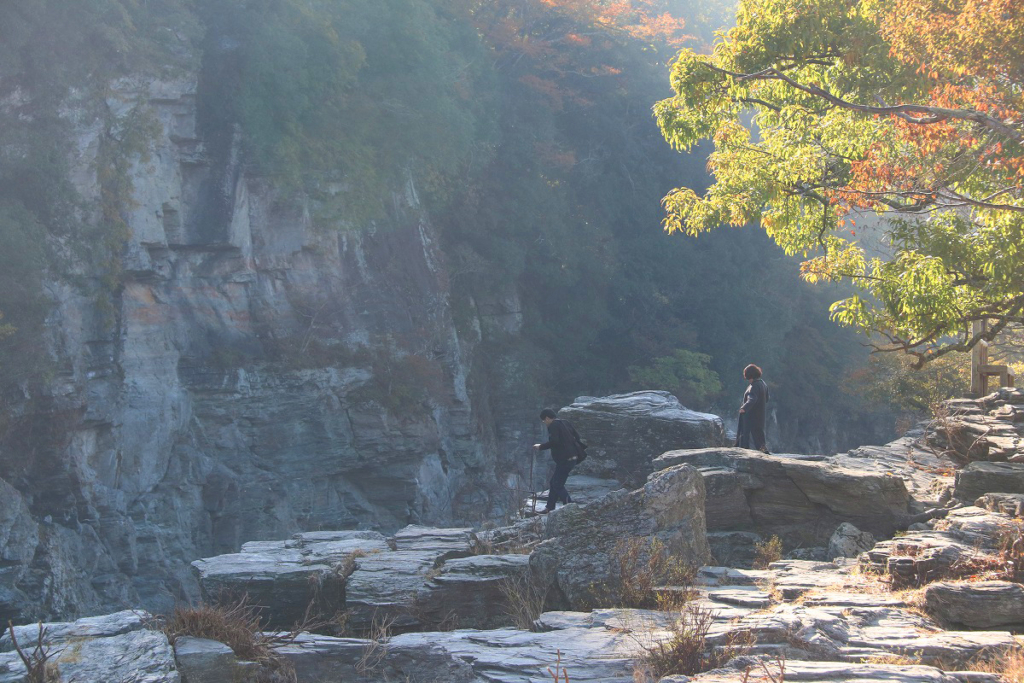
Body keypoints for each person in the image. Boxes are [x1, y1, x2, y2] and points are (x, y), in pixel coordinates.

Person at [532, 408, 585, 513]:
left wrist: (540, 446)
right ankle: (549, 507)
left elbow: (554, 441)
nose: (544, 423)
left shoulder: (553, 425)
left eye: (544, 420)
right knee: (554, 482)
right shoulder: (565, 422)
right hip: (573, 457)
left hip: (565, 459)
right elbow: (577, 436)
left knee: (557, 484)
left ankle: (570, 507)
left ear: (547, 418)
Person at [736, 364, 770, 453]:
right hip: (760, 416)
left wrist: (744, 408)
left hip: (751, 417)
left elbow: (752, 399)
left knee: (748, 437)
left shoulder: (753, 386)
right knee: (759, 437)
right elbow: (767, 398)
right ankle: (764, 453)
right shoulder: (763, 384)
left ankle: (745, 454)